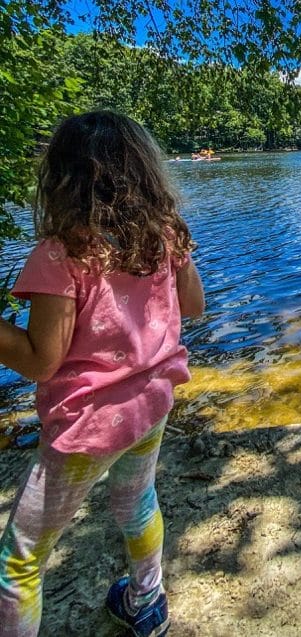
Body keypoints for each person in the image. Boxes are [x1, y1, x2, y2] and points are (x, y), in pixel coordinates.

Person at [0, 110, 205, 637]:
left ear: (64, 178)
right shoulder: (165, 236)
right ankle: (147, 600)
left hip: (88, 424)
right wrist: (180, 255)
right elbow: (196, 307)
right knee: (137, 500)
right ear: (145, 171)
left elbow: (41, 360)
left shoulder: (61, 255)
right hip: (151, 405)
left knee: (19, 562)